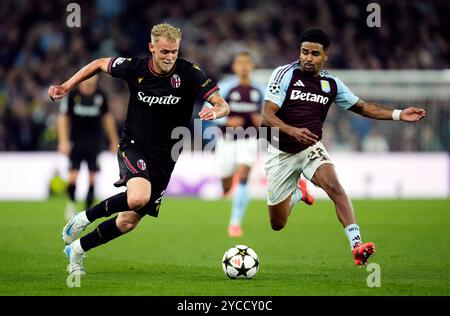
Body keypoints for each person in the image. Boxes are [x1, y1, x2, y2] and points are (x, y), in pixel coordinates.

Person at [48, 23, 230, 275]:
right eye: (164, 52)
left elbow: (222, 104)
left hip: (167, 156)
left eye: (174, 51)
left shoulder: (189, 73)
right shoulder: (135, 67)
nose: (170, 57)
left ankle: (77, 250)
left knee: (127, 221)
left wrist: (216, 110)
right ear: (151, 48)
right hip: (134, 145)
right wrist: (67, 86)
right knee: (137, 198)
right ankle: (82, 219)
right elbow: (100, 63)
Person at [262, 29, 426, 266]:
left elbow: (363, 108)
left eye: (315, 53)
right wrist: (293, 130)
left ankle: (357, 246)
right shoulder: (284, 74)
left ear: (325, 55)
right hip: (281, 151)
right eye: (304, 52)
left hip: (310, 149)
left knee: (336, 188)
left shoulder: (331, 84)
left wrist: (399, 114)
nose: (308, 58)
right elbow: (267, 116)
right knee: (278, 224)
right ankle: (299, 192)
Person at [213, 51, 314, 237]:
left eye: (247, 63)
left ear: (251, 67)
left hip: (249, 140)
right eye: (240, 63)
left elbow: (273, 114)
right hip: (226, 142)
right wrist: (226, 121)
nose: (243, 67)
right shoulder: (225, 88)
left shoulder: (260, 90)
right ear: (234, 67)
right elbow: (208, 112)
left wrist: (261, 119)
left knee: (244, 176)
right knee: (226, 187)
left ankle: (235, 223)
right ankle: (297, 193)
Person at [58, 75, 119, 220]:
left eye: (91, 84)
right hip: (76, 142)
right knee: (73, 176)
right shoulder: (73, 95)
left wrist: (113, 139)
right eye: (86, 84)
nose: (88, 87)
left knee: (92, 177)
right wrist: (63, 140)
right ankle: (71, 203)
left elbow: (107, 118)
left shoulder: (100, 95)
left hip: (94, 142)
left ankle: (86, 212)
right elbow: (63, 118)